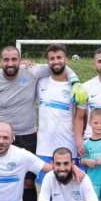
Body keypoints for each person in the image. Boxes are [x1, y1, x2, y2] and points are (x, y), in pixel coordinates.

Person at [0, 45, 80, 201]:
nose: (10, 63)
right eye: (6, 59)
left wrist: (75, 81)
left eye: (14, 59)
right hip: (1, 138)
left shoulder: (32, 72)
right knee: (0, 179)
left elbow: (60, 64)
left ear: (20, 61)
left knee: (28, 182)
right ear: (0, 61)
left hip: (27, 136)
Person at [35, 44, 78, 184]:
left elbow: (80, 117)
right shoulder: (40, 83)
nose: (56, 61)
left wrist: (79, 140)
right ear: (47, 62)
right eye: (52, 58)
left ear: (66, 59)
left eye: (59, 57)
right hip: (44, 148)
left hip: (68, 146)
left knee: (70, 187)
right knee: (45, 189)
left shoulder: (76, 87)